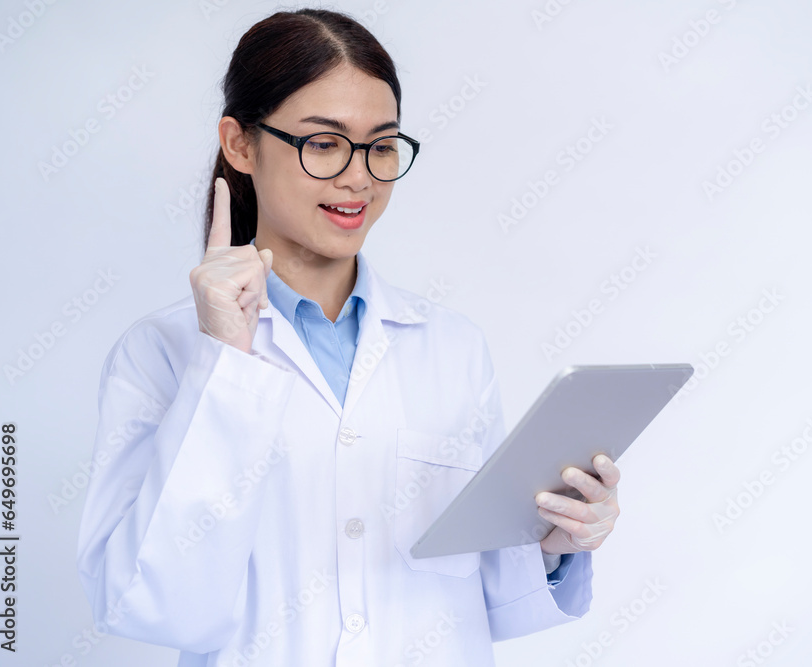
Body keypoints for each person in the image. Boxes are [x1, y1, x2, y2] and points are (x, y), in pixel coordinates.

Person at [76, 8, 621, 666]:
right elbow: (152, 604)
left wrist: (556, 541)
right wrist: (226, 364)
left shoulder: (452, 347)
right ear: (240, 144)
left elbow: (488, 597)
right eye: (324, 143)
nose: (359, 176)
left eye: (381, 146)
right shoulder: (159, 352)